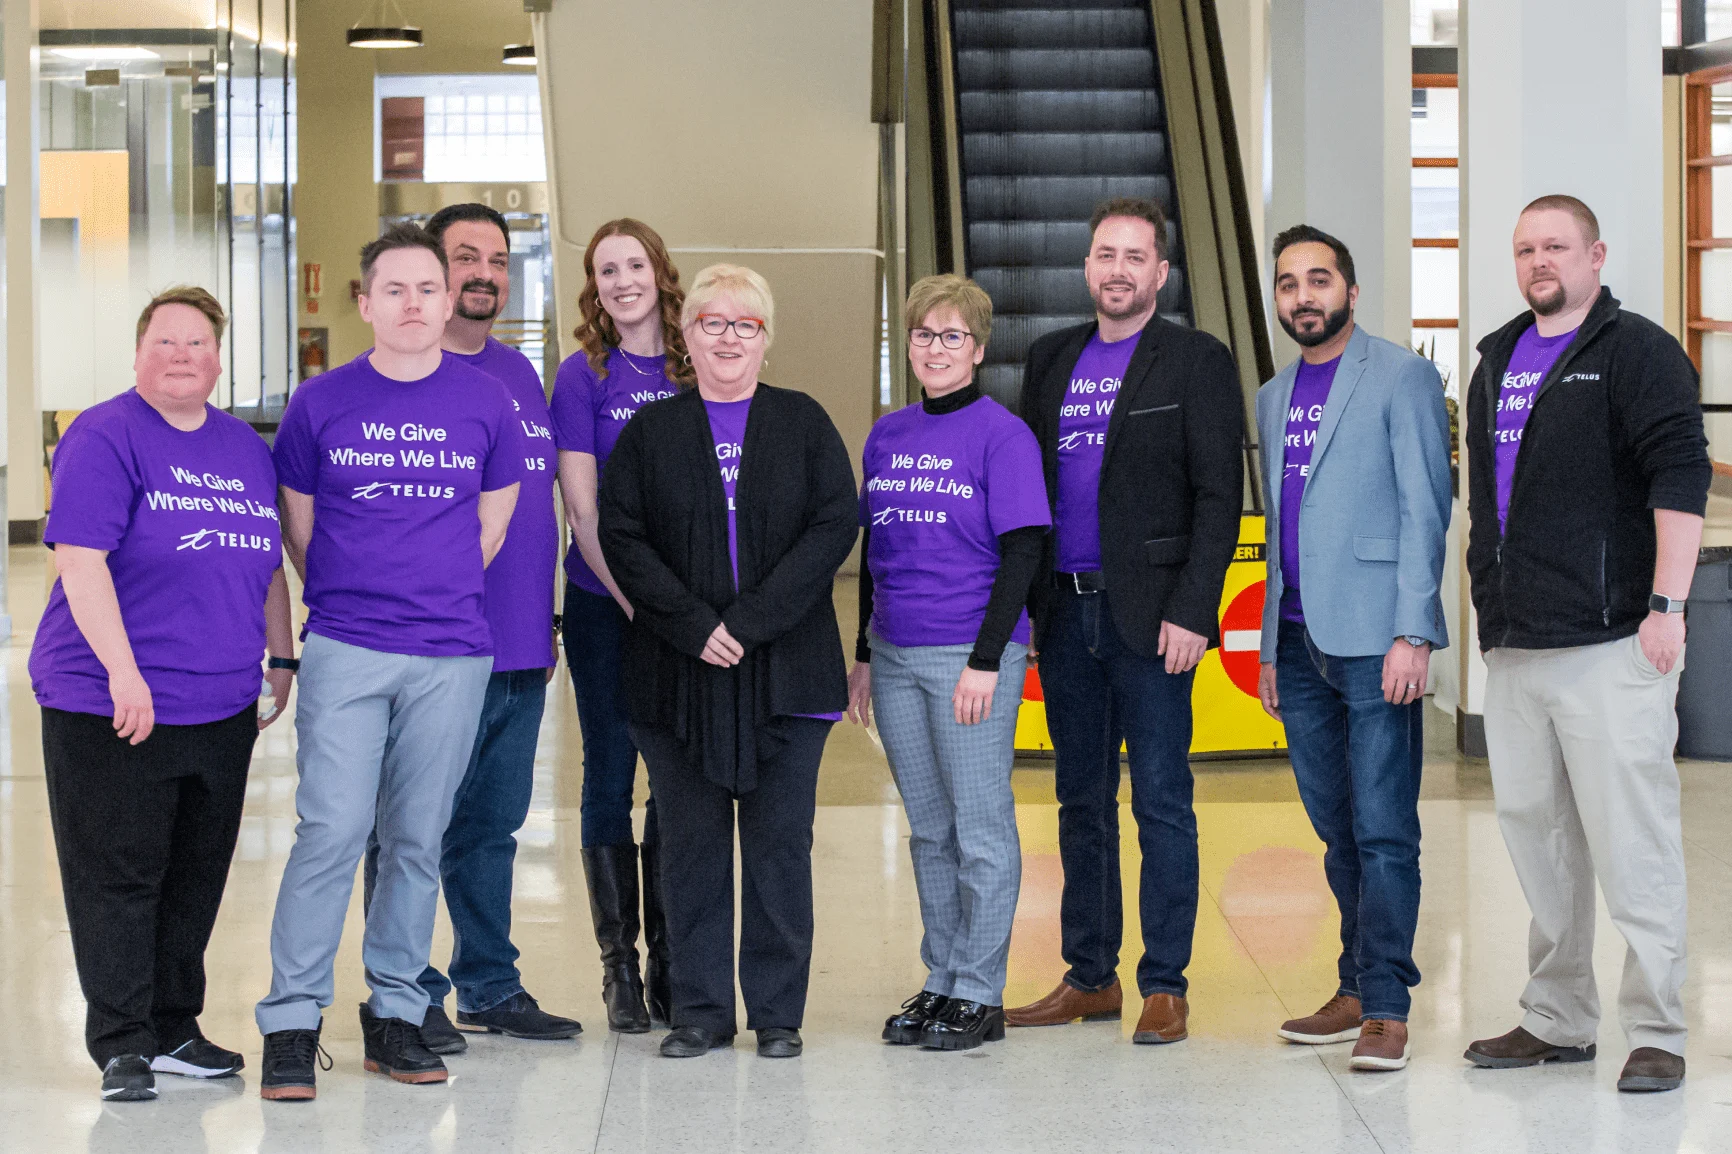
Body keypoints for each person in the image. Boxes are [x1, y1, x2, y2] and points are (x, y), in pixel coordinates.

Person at [255, 224, 522, 1099]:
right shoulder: (320, 401)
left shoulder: (486, 404)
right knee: (330, 830)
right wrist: (351, 595)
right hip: (347, 647)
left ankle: (396, 1013)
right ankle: (292, 1021)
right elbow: (298, 524)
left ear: (449, 302)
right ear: (365, 304)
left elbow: (491, 523)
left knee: (415, 839)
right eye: (395, 290)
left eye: (428, 289)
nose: (414, 304)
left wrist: (431, 591)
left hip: (450, 653)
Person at [1461, 195, 1709, 1094]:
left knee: (1633, 843)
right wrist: (1486, 608)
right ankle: (1558, 1018)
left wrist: (1668, 605)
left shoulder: (1635, 352)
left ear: (1595, 255)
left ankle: (1658, 1030)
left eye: (1556, 246)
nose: (1539, 262)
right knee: (1542, 846)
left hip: (1613, 645)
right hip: (1519, 650)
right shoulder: (1495, 358)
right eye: (1525, 247)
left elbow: (1681, 475)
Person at [30, 286, 293, 1102]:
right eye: (165, 341)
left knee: (195, 873)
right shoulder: (105, 435)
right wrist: (124, 671)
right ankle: (122, 1042)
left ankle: (176, 1027)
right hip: (112, 702)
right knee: (119, 874)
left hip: (219, 704)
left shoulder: (244, 448)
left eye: (197, 343)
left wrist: (281, 658)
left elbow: (265, 559)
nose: (182, 355)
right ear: (138, 352)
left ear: (219, 359)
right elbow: (81, 561)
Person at [599, 264, 857, 1060]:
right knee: (692, 847)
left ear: (767, 339)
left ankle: (778, 1015)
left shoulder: (805, 423)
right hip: (678, 673)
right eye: (712, 321)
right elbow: (622, 536)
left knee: (780, 848)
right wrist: (691, 624)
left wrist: (749, 622)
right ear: (687, 335)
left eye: (745, 324)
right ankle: (702, 1012)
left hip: (787, 673)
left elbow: (834, 525)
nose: (728, 337)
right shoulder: (651, 433)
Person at [1006, 196, 1244, 1044]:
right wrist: (1028, 606)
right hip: (1066, 617)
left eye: (1134, 257)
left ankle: (1166, 983)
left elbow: (1221, 495)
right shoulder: (1049, 358)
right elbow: (1030, 492)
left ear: (1161, 272)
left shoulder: (1195, 360)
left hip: (1153, 622)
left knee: (1162, 801)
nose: (1117, 270)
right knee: (1078, 800)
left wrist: (1194, 610)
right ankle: (1090, 975)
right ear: (1087, 269)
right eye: (1104, 255)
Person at [360, 203, 580, 1052]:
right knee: (408, 827)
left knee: (491, 827)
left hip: (521, 645)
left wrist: (549, 619)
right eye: (463, 257)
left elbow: (541, 510)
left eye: (496, 257)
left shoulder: (521, 375)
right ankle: (405, 989)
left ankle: (489, 983)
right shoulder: (392, 380)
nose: (483, 271)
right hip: (429, 649)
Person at [1254, 226, 1451, 1072]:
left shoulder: (1400, 374)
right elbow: (1278, 526)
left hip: (1376, 639)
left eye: (1320, 279)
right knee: (1335, 828)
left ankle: (1386, 1007)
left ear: (1352, 290)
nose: (1304, 296)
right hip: (1296, 637)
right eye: (1289, 283)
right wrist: (1264, 650)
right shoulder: (1270, 394)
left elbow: (1426, 507)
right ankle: (1353, 979)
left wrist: (1414, 630)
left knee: (1382, 829)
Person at [846, 275, 1048, 1052]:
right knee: (929, 830)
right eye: (924, 336)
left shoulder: (1003, 436)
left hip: (971, 654)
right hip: (895, 655)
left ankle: (980, 991)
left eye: (952, 336)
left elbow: (1023, 549)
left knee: (981, 826)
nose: (936, 349)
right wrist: (864, 652)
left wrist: (989, 661)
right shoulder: (887, 435)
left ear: (978, 347)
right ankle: (941, 978)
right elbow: (876, 550)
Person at [551, 218, 689, 1032]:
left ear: (660, 271)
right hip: (607, 606)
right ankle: (619, 969)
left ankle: (672, 955)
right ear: (594, 287)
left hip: (683, 612)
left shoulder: (693, 363)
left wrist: (682, 608)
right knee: (610, 772)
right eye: (607, 270)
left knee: (673, 778)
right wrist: (638, 601)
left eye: (635, 264)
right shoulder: (582, 375)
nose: (622, 281)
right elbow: (582, 507)